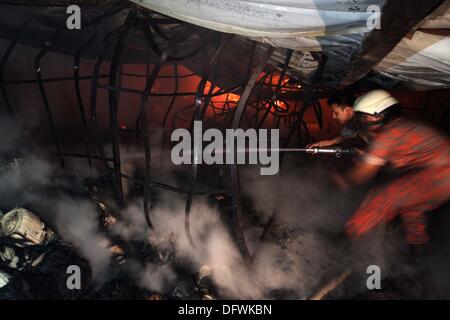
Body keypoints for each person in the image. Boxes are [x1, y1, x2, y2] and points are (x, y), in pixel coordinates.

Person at [332, 89, 450, 249]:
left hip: (441, 174)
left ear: (377, 115)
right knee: (410, 205)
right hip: (438, 174)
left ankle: (342, 241)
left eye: (364, 117)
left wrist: (343, 179)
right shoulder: (401, 126)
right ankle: (417, 250)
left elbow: (363, 174)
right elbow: (398, 157)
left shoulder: (389, 134)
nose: (362, 121)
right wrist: (370, 157)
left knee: (387, 196)